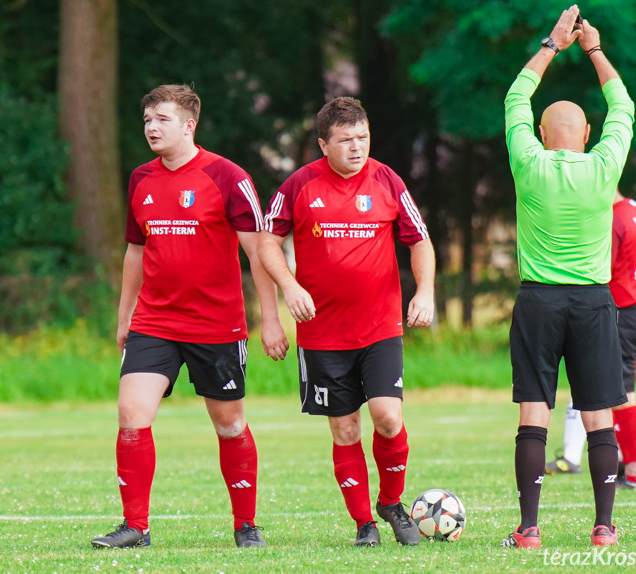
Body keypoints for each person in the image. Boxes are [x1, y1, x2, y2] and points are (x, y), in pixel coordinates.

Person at [91, 84, 289, 550]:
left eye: (161, 119)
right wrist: (125, 316)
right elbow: (135, 252)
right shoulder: (141, 178)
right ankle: (135, 527)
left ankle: (245, 525)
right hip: (155, 321)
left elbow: (258, 254)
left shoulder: (227, 176)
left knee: (230, 424)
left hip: (216, 326)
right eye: (146, 120)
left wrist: (271, 318)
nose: (151, 128)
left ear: (188, 125)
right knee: (131, 415)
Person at [257, 96, 436, 547]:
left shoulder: (387, 180)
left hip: (379, 326)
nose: (357, 148)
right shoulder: (299, 186)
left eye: (363, 137)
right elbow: (266, 242)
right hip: (322, 333)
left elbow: (420, 240)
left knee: (388, 418)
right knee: (345, 428)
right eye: (345, 140)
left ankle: (391, 503)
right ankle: (364, 525)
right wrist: (289, 288)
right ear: (323, 144)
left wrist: (426, 291)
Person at [502, 6, 635, 549]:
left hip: (538, 302)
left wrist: (553, 46)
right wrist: (594, 50)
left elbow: (515, 95)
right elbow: (623, 104)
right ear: (586, 133)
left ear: (539, 132)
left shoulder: (527, 162)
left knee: (535, 412)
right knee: (599, 414)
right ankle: (603, 527)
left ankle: (530, 529)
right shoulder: (605, 166)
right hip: (593, 304)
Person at [546, 193, 636, 485]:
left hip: (618, 313)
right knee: (602, 382)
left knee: (631, 389)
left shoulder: (611, 217)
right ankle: (585, 459)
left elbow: (598, 270)